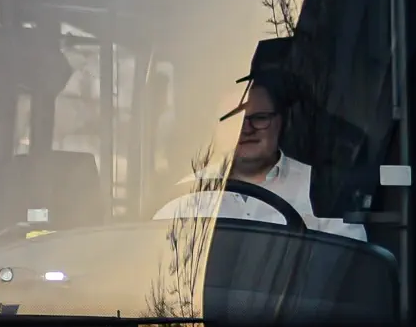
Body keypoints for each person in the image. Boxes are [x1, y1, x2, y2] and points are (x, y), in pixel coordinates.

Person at [156, 75, 366, 240]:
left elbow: (347, 271)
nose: (245, 129)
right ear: (215, 128)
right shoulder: (187, 195)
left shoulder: (321, 189)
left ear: (280, 122)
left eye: (259, 118)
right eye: (234, 120)